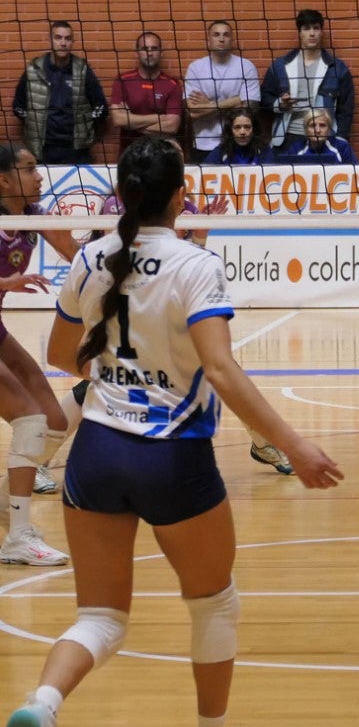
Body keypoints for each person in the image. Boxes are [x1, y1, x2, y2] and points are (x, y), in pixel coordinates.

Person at [5, 137, 341, 727]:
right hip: (173, 456)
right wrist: (295, 445)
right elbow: (221, 369)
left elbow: (60, 354)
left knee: (100, 619)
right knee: (214, 605)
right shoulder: (196, 264)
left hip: (97, 452)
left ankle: (42, 704)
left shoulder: (91, 257)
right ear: (181, 196)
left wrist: (119, 375)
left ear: (120, 194)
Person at [95, 167, 295, 477]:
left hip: (162, 305)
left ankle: (263, 442)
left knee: (219, 366)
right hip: (122, 301)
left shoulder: (184, 206)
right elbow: (125, 259)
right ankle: (39, 451)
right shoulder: (118, 205)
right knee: (103, 375)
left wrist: (199, 234)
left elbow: (180, 262)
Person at [0, 146, 82, 567]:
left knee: (53, 421)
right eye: (29, 168)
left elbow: (80, 256)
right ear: (4, 179)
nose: (39, 176)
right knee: (30, 420)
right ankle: (18, 537)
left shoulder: (33, 216)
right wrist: (5, 283)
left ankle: (6, 498)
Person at [12, 21, 108, 165]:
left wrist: (85, 124)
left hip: (76, 151)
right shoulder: (33, 70)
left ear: (72, 42)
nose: (63, 43)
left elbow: (102, 107)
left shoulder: (83, 70)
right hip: (42, 150)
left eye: (67, 38)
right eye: (58, 37)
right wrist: (34, 122)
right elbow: (18, 107)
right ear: (50, 40)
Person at [260, 9, 356, 151]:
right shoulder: (280, 66)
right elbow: (264, 97)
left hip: (324, 138)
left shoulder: (337, 68)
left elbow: (346, 109)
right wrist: (279, 104)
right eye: (306, 28)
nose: (312, 33)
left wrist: (341, 139)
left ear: (321, 32)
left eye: (316, 28)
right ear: (299, 32)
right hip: (288, 137)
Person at [184, 20, 261, 164]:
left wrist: (207, 105)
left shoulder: (246, 66)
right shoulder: (195, 68)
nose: (221, 39)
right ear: (209, 40)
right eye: (216, 35)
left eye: (226, 35)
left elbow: (250, 109)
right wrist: (235, 101)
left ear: (232, 40)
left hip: (237, 143)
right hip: (203, 144)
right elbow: (191, 112)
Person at [110, 32, 183, 151]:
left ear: (161, 52)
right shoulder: (122, 80)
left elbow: (172, 126)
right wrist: (158, 117)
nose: (149, 53)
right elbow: (118, 120)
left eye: (154, 48)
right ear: (137, 53)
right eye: (144, 49)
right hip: (129, 152)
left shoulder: (172, 84)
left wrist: (130, 121)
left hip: (160, 152)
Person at [269, 109, 357, 165]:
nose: (317, 130)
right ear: (306, 130)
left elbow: (355, 176)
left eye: (322, 125)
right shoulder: (296, 149)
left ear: (329, 129)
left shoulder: (342, 147)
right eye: (312, 126)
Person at [202, 109, 267, 166]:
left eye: (247, 127)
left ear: (254, 129)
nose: (242, 132)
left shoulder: (263, 150)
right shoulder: (221, 151)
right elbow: (204, 171)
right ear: (230, 130)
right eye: (237, 127)